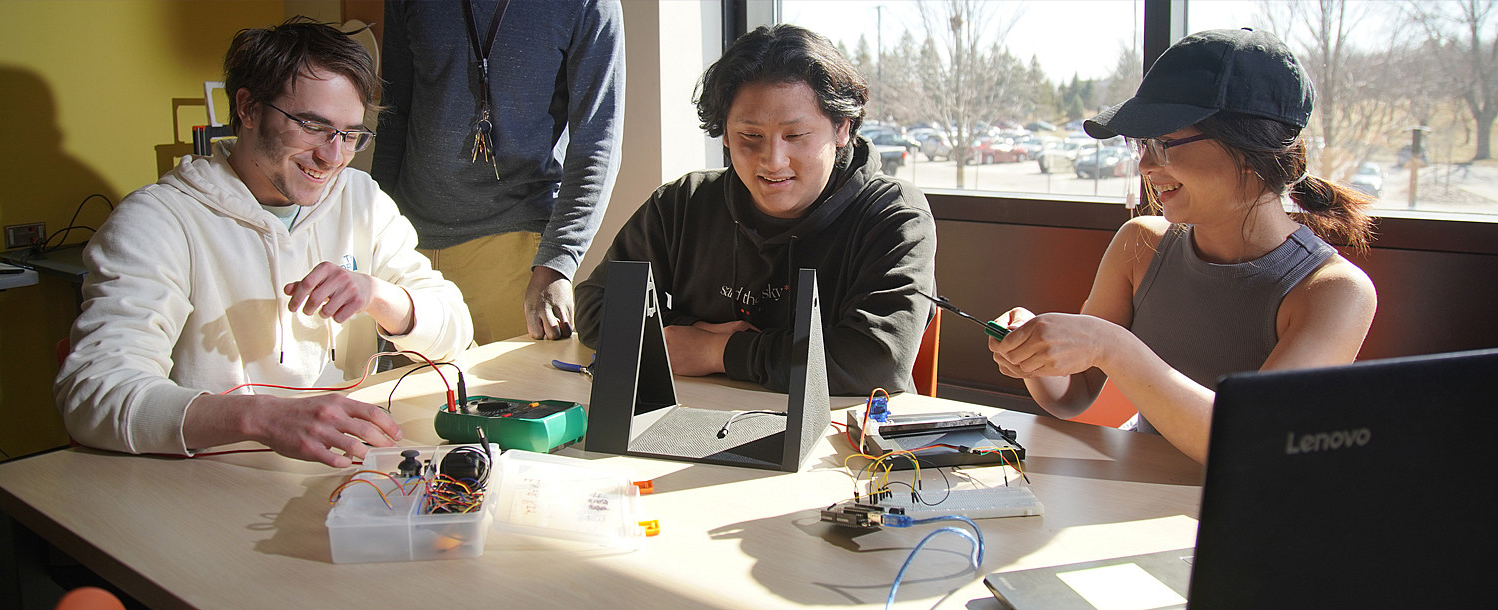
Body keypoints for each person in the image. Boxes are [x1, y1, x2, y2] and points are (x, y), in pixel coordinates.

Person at [54, 18, 473, 468]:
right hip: (211, 484)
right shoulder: (159, 220)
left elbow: (456, 330)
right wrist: (263, 418)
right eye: (312, 126)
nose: (332, 156)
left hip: (342, 474)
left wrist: (378, 294)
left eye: (349, 134)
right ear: (249, 109)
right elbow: (94, 394)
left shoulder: (361, 199)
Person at [988, 28, 1377, 464]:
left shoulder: (1333, 290)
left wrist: (1112, 347)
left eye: (1162, 143)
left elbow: (1252, 444)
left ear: (1248, 148)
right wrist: (1034, 356)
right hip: (1141, 492)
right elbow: (1074, 395)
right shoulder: (1140, 243)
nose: (1146, 164)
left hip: (1239, 515)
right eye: (1141, 144)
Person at [574, 24, 936, 396]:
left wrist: (717, 351)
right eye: (751, 137)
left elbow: (875, 362)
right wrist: (688, 332)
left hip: (837, 437)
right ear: (725, 135)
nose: (773, 161)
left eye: (795, 136)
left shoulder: (894, 217)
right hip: (694, 421)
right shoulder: (683, 203)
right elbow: (594, 308)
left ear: (842, 128)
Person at [373, 0, 625, 345]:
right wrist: (373, 231)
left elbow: (597, 141)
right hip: (409, 246)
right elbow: (393, 114)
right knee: (405, 397)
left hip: (516, 248)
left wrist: (558, 261)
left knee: (520, 397)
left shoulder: (589, 5)